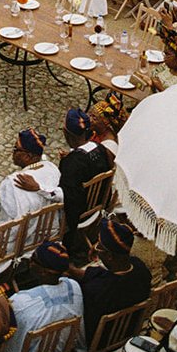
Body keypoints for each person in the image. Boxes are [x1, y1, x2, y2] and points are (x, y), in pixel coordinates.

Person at [76, 215, 151, 346]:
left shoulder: (97, 289)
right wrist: (71, 270)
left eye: (99, 247)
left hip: (98, 343)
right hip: (126, 335)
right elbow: (98, 275)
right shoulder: (141, 269)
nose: (97, 250)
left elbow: (97, 280)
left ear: (110, 256)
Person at [57, 108, 113, 259]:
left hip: (80, 211)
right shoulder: (100, 148)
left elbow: (68, 198)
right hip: (98, 204)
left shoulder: (70, 163)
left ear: (66, 133)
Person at [0, 128, 61, 222]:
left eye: (16, 149)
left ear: (28, 156)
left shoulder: (14, 181)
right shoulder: (52, 168)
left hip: (24, 231)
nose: (13, 152)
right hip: (50, 227)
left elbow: (3, 216)